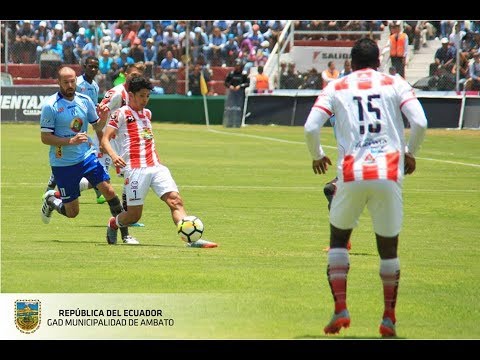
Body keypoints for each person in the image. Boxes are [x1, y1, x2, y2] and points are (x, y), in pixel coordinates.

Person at [304, 38, 427, 337]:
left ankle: (341, 309)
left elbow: (310, 127)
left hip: (351, 173)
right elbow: (420, 122)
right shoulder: (394, 82)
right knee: (388, 249)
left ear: (351, 62)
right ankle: (388, 317)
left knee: (338, 241)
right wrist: (411, 153)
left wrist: (318, 155)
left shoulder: (336, 86)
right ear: (378, 61)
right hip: (388, 172)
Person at [101, 76, 218, 249]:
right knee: (134, 216)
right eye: (142, 95)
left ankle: (191, 240)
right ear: (131, 95)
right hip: (135, 169)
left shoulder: (147, 114)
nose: (145, 100)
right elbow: (105, 139)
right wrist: (114, 156)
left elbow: (148, 140)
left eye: (148, 96)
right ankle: (113, 223)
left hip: (156, 167)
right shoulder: (121, 113)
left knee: (175, 201)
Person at [40, 66, 126, 245]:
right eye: (66, 82)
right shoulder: (51, 106)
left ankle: (124, 234)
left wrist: (103, 119)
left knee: (109, 190)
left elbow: (97, 126)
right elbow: (45, 138)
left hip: (86, 156)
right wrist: (70, 141)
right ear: (59, 83)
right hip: (63, 163)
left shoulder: (85, 100)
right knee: (72, 212)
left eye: (73, 81)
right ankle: (51, 201)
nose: (70, 85)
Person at [44, 56, 107, 205]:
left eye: (95, 66)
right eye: (90, 66)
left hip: (81, 130)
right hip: (67, 129)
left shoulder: (95, 86)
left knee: (90, 163)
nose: (93, 69)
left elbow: (94, 117)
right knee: (64, 158)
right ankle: (51, 190)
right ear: (83, 67)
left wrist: (101, 137)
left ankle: (99, 192)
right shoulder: (76, 83)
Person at [98, 62, 147, 236]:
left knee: (125, 175)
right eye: (132, 75)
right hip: (107, 142)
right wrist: (101, 138)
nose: (134, 78)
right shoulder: (117, 92)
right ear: (125, 73)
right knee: (97, 180)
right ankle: (57, 195)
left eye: (138, 76)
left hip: (118, 143)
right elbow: (100, 111)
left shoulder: (135, 94)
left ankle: (128, 217)